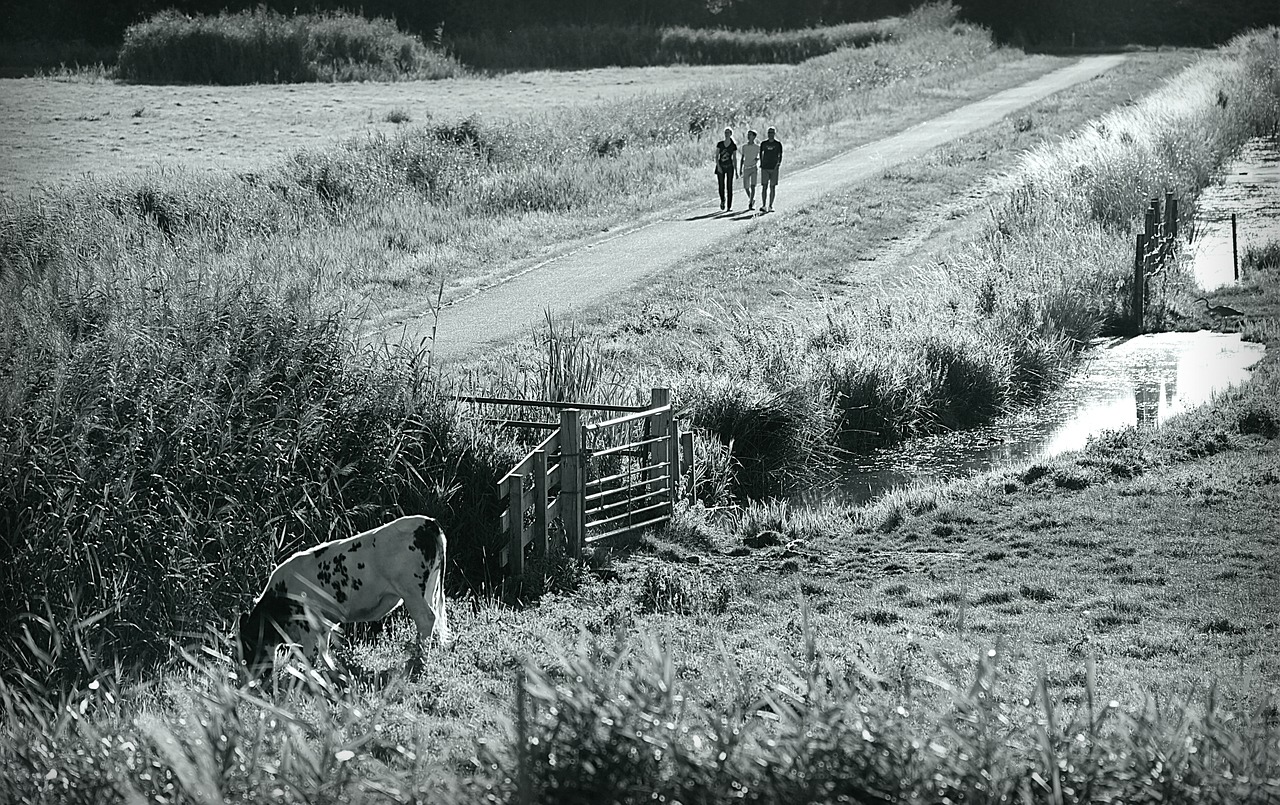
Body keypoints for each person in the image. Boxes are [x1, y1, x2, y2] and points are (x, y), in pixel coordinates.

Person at [759, 126, 783, 212]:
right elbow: (760, 153)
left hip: (774, 168)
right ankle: (763, 205)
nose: (770, 135)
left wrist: (778, 164)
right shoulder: (763, 144)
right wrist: (761, 163)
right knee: (764, 186)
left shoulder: (778, 144)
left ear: (774, 134)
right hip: (765, 167)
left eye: (772, 133)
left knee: (772, 187)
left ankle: (770, 206)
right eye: (769, 133)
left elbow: (780, 155)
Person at [714, 127, 738, 211]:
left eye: (728, 132)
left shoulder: (733, 145)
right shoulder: (720, 144)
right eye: (725, 132)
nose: (726, 134)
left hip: (729, 167)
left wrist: (736, 170)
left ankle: (729, 206)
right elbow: (716, 156)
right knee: (721, 185)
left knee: (729, 186)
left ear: (731, 134)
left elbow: (734, 158)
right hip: (721, 166)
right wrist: (718, 166)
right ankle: (722, 200)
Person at [739, 129, 760, 210]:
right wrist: (740, 169)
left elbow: (760, 156)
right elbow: (742, 158)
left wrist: (758, 159)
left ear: (754, 137)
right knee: (746, 187)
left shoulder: (757, 147)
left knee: (753, 186)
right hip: (746, 168)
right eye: (748, 135)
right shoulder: (744, 147)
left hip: (753, 168)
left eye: (750, 135)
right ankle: (752, 199)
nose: (748, 136)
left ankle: (751, 203)